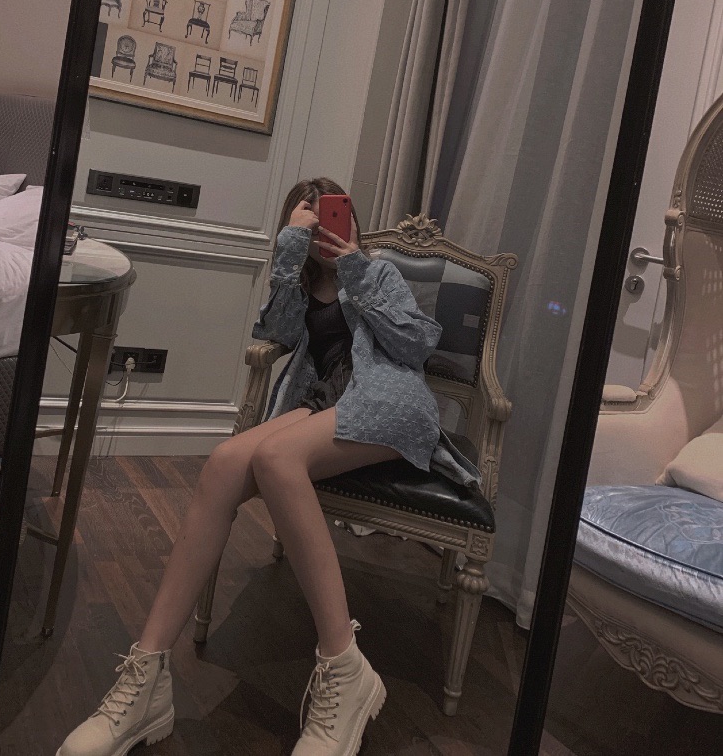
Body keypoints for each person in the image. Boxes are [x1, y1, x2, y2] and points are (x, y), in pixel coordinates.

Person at [57, 178, 455, 756]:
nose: (324, 229)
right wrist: (289, 256)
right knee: (224, 462)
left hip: (390, 402)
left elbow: (416, 346)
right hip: (325, 403)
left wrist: (355, 269)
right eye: (309, 222)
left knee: (274, 456)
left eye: (333, 215)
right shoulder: (302, 280)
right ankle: (147, 675)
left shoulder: (378, 271)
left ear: (352, 220)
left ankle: (344, 667)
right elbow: (276, 334)